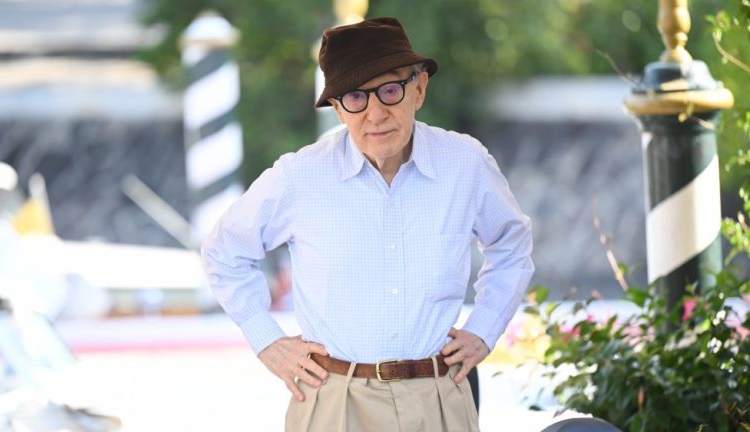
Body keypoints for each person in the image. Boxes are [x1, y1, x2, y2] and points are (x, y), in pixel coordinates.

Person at [201, 16, 534, 431]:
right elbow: (223, 252)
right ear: (339, 109)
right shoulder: (299, 176)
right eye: (355, 97)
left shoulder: (464, 164)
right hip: (334, 400)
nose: (375, 113)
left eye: (390, 91)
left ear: (419, 89)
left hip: (437, 398)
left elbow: (511, 245)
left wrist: (484, 330)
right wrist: (267, 340)